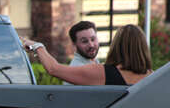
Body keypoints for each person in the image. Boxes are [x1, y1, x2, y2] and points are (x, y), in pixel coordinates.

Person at [23, 24, 153, 86]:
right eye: (84, 41)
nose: (91, 44)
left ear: (117, 46)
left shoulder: (102, 73)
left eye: (93, 39)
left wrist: (38, 46)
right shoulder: (153, 77)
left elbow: (53, 69)